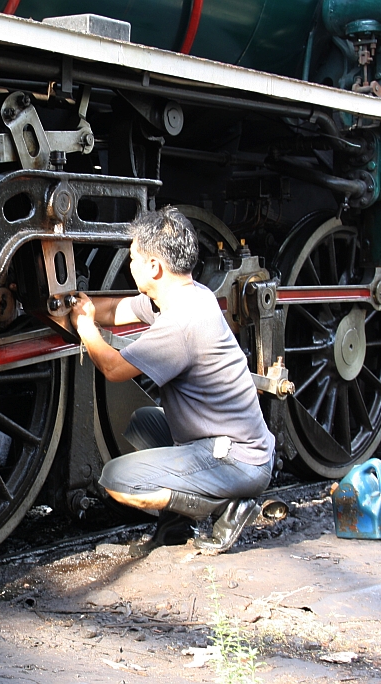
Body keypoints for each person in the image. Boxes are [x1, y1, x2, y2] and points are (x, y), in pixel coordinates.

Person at [70, 207, 275, 554]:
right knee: (144, 422)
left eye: (134, 257)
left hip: (238, 460)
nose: (130, 264)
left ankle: (226, 506)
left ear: (154, 267)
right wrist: (78, 305)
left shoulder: (183, 320)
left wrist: (85, 327)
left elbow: (113, 369)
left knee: (118, 480)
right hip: (228, 444)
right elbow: (115, 312)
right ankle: (177, 525)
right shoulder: (188, 295)